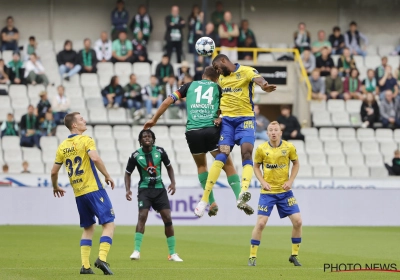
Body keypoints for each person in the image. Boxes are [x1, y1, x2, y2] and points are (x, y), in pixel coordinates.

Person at [144, 66, 243, 216]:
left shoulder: (188, 85)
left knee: (201, 165)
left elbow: (167, 101)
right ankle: (239, 197)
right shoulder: (217, 87)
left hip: (192, 132)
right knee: (227, 164)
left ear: (203, 75)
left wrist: (154, 119)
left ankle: (212, 201)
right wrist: (220, 117)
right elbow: (229, 108)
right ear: (216, 78)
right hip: (211, 129)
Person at [194, 54, 277, 217]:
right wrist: (218, 115)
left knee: (246, 153)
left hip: (245, 120)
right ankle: (204, 199)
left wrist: (264, 85)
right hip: (227, 123)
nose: (217, 71)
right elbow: (220, 100)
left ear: (224, 61)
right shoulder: (222, 79)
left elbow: (258, 79)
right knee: (222, 155)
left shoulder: (246, 71)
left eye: (217, 67)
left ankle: (243, 194)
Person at [51, 112, 116, 275]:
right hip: (93, 189)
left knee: (88, 227)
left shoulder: (62, 146)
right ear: (74, 125)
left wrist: (55, 187)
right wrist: (107, 175)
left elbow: (53, 172)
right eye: (81, 119)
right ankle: (102, 258)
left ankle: (85, 266)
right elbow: (95, 158)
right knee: (109, 223)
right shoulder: (86, 140)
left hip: (78, 193)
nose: (84, 121)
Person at [248, 121, 302, 267]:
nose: (273, 132)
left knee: (298, 222)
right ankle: (252, 257)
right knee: (260, 223)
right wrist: (262, 182)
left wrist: (290, 181)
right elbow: (256, 167)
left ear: (280, 132)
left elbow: (296, 163)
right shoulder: (261, 149)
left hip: (285, 192)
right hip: (268, 193)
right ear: (267, 133)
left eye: (275, 130)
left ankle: (294, 255)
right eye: (270, 130)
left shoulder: (289, 147)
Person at [125, 129, 183, 262]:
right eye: (144, 136)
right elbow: (127, 173)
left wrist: (173, 182)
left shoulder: (160, 152)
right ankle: (136, 251)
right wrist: (127, 190)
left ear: (153, 139)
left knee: (167, 217)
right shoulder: (135, 156)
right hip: (145, 190)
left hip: (159, 189)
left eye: (149, 136)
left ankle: (172, 253)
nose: (147, 138)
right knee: (142, 216)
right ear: (140, 141)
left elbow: (169, 167)